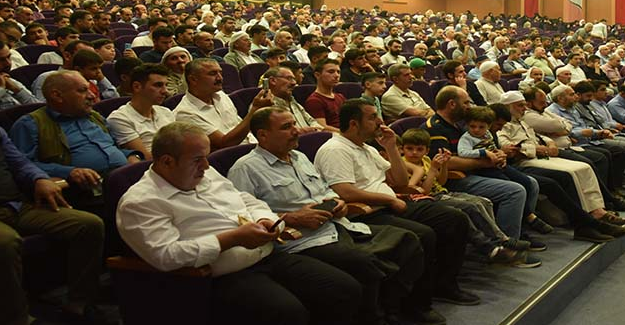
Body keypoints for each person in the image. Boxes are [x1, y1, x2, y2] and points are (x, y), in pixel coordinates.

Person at [117, 122, 362, 325]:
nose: (206, 166)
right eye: (198, 160)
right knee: (287, 312)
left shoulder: (205, 174)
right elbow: (166, 255)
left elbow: (247, 200)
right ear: (167, 162)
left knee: (345, 288)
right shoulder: (141, 202)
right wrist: (232, 239)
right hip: (219, 277)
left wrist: (264, 220)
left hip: (268, 255)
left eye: (206, 157)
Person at [228, 108, 425, 324]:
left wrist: (337, 202)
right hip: (302, 241)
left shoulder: (300, 157)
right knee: (364, 262)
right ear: (263, 134)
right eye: (286, 127)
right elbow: (243, 218)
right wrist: (291, 217)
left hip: (338, 225)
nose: (296, 131)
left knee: (407, 241)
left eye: (294, 124)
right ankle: (375, 318)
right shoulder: (245, 168)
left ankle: (393, 309)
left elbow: (325, 191)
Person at [315, 99, 479, 316]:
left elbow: (401, 181)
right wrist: (390, 200)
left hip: (391, 202)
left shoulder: (367, 148)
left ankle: (444, 285)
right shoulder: (335, 150)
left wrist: (391, 147)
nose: (379, 122)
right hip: (366, 212)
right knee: (424, 234)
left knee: (454, 219)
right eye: (372, 117)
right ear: (354, 124)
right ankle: (413, 305)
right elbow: (345, 192)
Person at [0, 86, 105, 325]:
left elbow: (19, 162)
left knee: (89, 224)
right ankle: (16, 318)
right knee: (2, 242)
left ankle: (78, 303)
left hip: (15, 203)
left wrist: (39, 179)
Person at [423, 86, 547, 250]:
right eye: (466, 103)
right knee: (514, 191)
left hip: (476, 171)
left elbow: (482, 145)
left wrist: (498, 153)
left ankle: (519, 230)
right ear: (452, 104)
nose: (469, 106)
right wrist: (486, 161)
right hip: (454, 179)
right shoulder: (435, 128)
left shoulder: (461, 123)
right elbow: (446, 163)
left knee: (532, 182)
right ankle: (508, 246)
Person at [401, 128, 539, 268]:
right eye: (409, 148)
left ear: (426, 151)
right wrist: (432, 170)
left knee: (484, 202)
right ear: (402, 149)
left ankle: (500, 240)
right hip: (430, 198)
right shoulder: (404, 165)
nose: (414, 152)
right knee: (471, 206)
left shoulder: (425, 160)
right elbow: (423, 191)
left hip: (443, 192)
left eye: (419, 149)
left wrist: (444, 165)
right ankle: (498, 243)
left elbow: (441, 182)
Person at [11, 71, 144, 211]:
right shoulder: (30, 124)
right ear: (57, 96)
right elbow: (22, 166)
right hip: (83, 192)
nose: (92, 96)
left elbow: (114, 147)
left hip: (123, 180)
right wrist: (69, 172)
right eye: (82, 90)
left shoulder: (94, 117)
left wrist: (131, 155)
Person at [495, 91, 625, 228]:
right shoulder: (502, 124)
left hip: (543, 155)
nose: (524, 108)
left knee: (584, 167)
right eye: (520, 105)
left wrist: (550, 143)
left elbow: (537, 135)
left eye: (524, 105)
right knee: (569, 173)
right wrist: (535, 149)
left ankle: (597, 210)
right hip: (525, 160)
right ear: (507, 107)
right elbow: (506, 146)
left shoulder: (522, 120)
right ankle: (585, 217)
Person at [554, 83, 625, 194]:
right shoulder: (573, 108)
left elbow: (600, 122)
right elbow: (576, 130)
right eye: (572, 94)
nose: (606, 93)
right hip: (588, 139)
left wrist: (611, 127)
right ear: (560, 98)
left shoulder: (585, 106)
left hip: (601, 133)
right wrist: (602, 131)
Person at [173, 58, 272, 150]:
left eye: (220, 73)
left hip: (253, 144)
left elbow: (238, 124)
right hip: (234, 155)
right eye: (212, 74)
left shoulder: (221, 95)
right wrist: (255, 110)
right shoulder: (185, 113)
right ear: (193, 79)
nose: (220, 78)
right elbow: (225, 144)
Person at [107, 63, 175, 160]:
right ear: (137, 87)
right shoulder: (120, 119)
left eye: (166, 85)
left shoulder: (166, 112)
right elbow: (146, 158)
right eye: (158, 85)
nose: (165, 91)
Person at [265, 66, 332, 133]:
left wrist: (316, 130)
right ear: (273, 81)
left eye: (294, 79)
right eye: (289, 78)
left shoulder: (292, 101)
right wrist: (303, 131)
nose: (294, 83)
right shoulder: (267, 106)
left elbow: (312, 121)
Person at [305, 59, 346, 129]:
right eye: (331, 72)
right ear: (317, 75)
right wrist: (348, 134)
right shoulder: (314, 101)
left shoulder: (340, 97)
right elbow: (322, 128)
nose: (336, 75)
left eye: (338, 72)